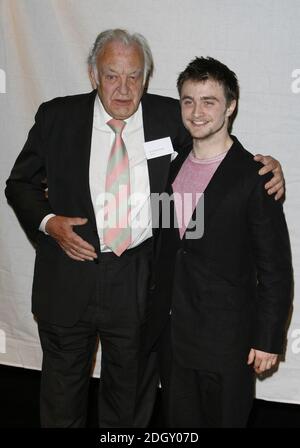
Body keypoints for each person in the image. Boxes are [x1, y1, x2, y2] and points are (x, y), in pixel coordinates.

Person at [5, 29, 284, 428]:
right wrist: (50, 224)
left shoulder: (171, 116)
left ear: (146, 78)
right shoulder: (57, 117)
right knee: (61, 396)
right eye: (112, 75)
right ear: (92, 74)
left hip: (139, 279)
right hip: (68, 276)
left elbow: (217, 153)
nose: (123, 88)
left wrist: (268, 166)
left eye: (134, 76)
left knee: (130, 398)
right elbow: (20, 184)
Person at [153, 57, 292, 428]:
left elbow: (276, 269)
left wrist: (268, 339)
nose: (197, 112)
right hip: (174, 338)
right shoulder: (173, 164)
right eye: (188, 100)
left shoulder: (254, 175)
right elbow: (172, 245)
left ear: (230, 106)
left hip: (227, 343)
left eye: (209, 101)